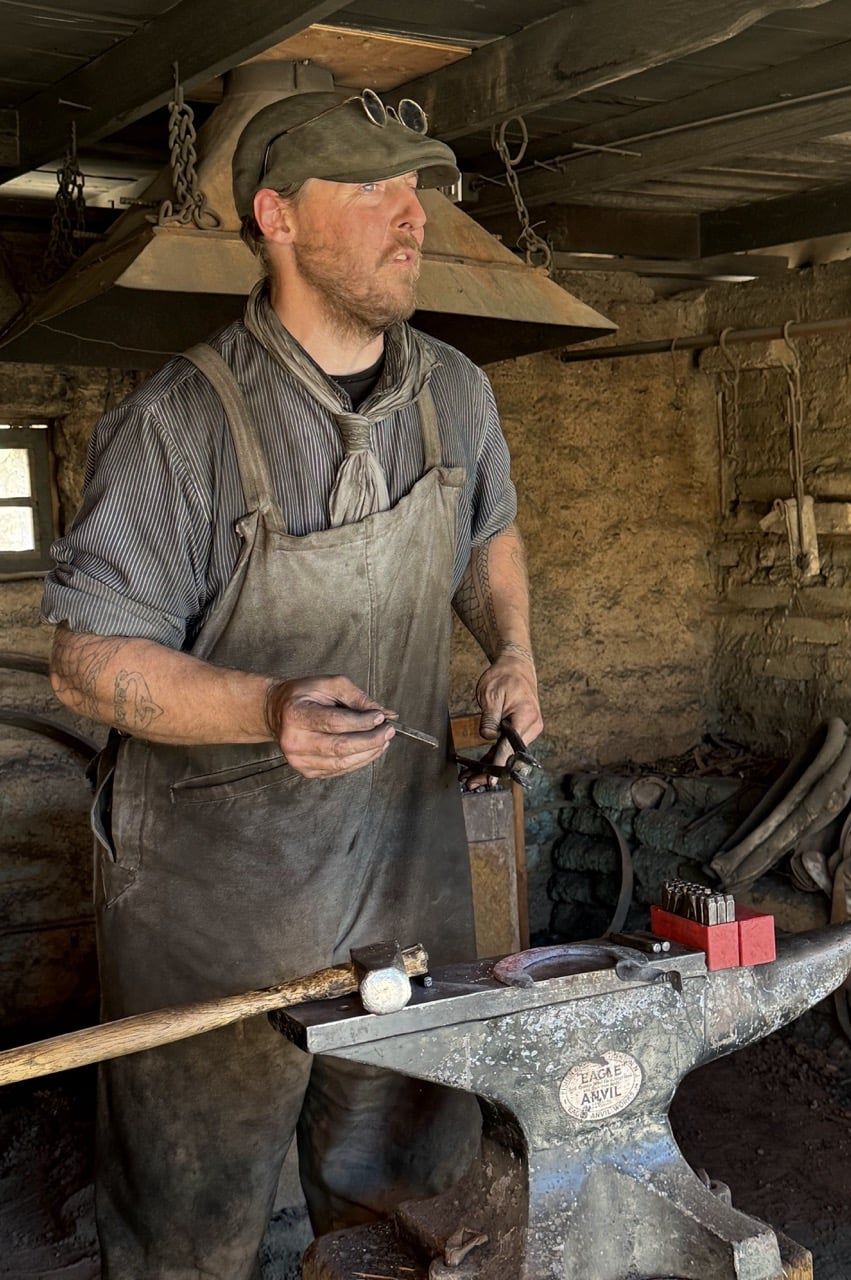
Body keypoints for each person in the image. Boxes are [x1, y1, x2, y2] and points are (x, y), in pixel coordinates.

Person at [42, 86, 542, 1279]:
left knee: (406, 1199)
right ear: (276, 215)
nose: (407, 215)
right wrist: (264, 710)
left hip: (404, 879)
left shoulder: (455, 392)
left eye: (413, 188)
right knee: (191, 1223)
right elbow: (86, 658)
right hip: (217, 904)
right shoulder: (179, 426)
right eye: (368, 189)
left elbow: (490, 537)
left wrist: (512, 649)